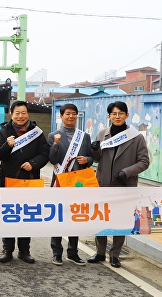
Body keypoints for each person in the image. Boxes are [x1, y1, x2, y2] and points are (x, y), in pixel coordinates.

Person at [88, 101, 149, 268]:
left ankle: (115, 254)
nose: (117, 116)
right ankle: (100, 252)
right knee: (100, 218)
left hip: (125, 185)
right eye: (114, 114)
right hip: (103, 185)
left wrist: (127, 172)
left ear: (126, 115)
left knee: (120, 221)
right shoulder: (102, 134)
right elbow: (97, 158)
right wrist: (94, 150)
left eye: (120, 113)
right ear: (108, 116)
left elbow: (144, 162)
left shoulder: (136, 137)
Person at [0, 100, 49, 264]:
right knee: (9, 215)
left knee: (27, 214)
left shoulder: (37, 132)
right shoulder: (4, 131)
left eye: (23, 113)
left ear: (28, 114)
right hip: (9, 180)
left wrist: (33, 164)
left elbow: (45, 153)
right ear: (11, 115)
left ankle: (24, 250)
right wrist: (7, 146)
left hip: (29, 179)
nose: (20, 116)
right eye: (17, 113)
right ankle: (7, 249)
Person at [47, 103, 93, 266]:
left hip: (78, 183)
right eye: (67, 114)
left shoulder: (84, 136)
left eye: (74, 114)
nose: (71, 116)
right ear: (61, 116)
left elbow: (91, 157)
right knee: (58, 217)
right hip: (60, 181)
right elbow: (51, 160)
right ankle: (56, 252)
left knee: (75, 217)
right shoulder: (53, 135)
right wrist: (56, 145)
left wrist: (87, 160)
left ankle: (73, 252)